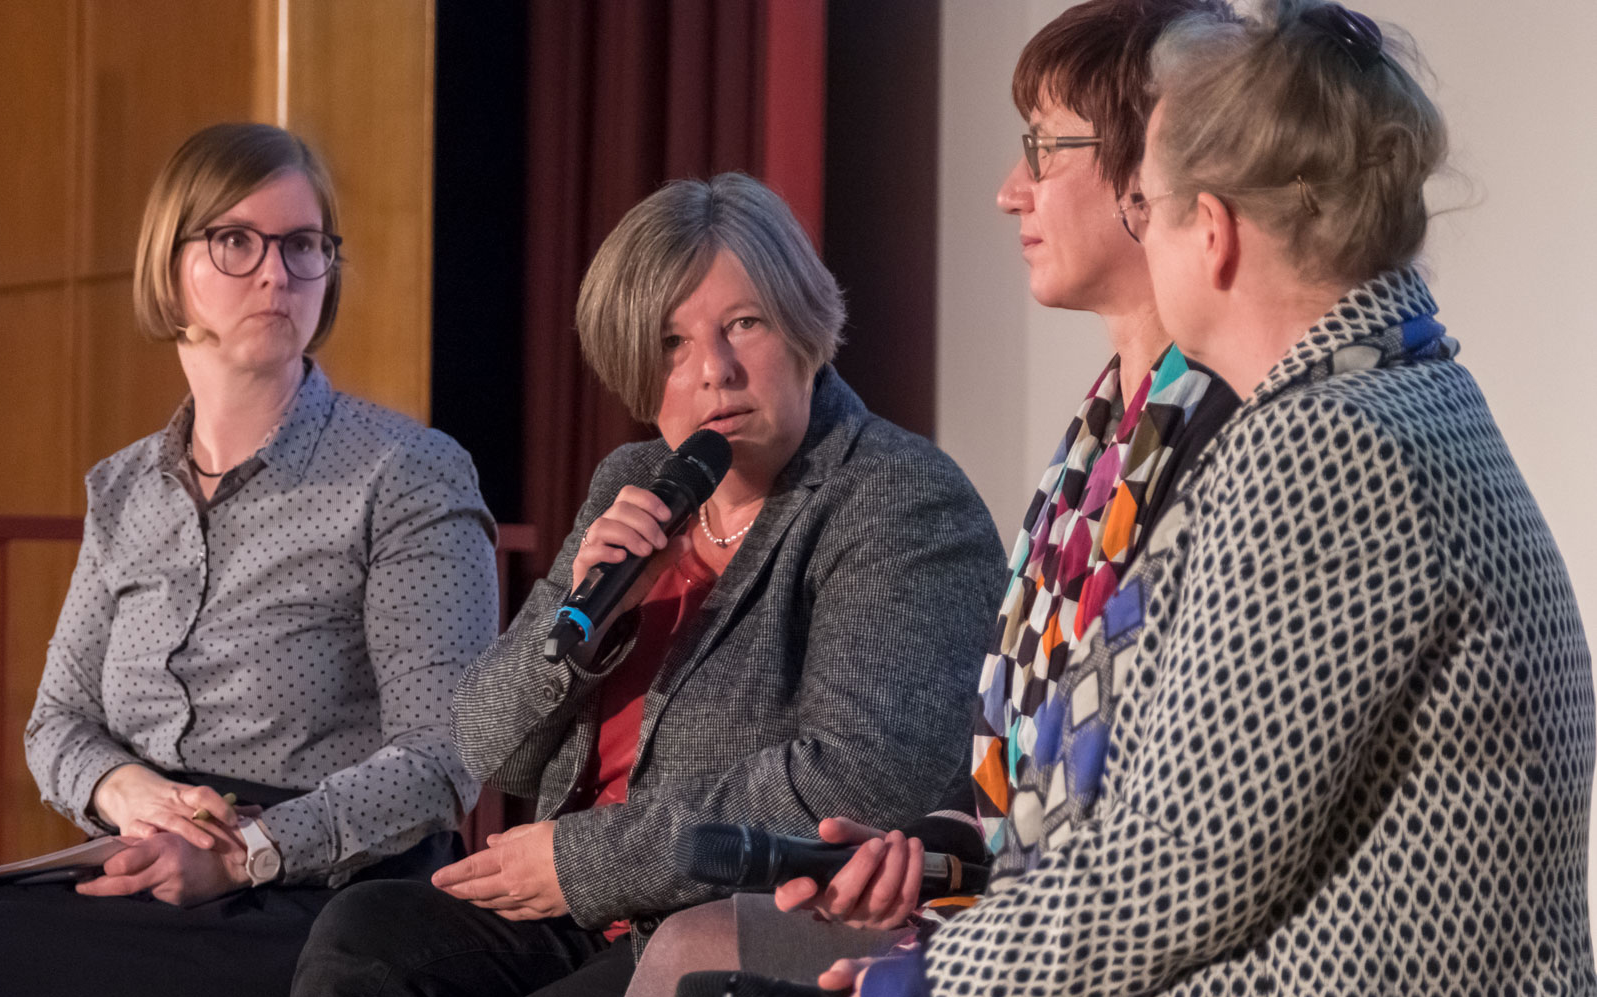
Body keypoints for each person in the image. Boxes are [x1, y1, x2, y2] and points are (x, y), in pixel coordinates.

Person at [910, 2, 1597, 993]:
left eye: (1145, 205)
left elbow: (1174, 873)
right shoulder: (1394, 395)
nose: (1140, 233)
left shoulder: (1324, 443)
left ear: (1214, 236)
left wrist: (926, 976)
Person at [624, 3, 1243, 994]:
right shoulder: (1099, 431)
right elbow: (1021, 796)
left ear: (1148, 170)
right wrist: (919, 851)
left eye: (1043, 150)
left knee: (695, 963)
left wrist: (931, 967)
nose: (1008, 191)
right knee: (683, 951)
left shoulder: (1228, 436)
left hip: (1109, 945)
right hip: (1015, 898)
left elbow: (1172, 846)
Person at [290, 172, 1007, 997]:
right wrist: (591, 629)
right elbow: (492, 743)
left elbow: (855, 780)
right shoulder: (636, 480)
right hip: (579, 914)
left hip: (729, 912)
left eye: (744, 323)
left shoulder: (896, 497)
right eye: (672, 343)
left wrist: (586, 860)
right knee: (367, 930)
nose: (715, 371)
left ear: (806, 329)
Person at [0, 123, 499, 997]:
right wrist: (132, 793)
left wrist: (248, 852)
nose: (275, 272)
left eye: (302, 245)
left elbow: (443, 755)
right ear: (169, 266)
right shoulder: (124, 489)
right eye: (235, 241)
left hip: (329, 889)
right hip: (157, 862)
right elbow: (59, 722)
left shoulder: (407, 472)